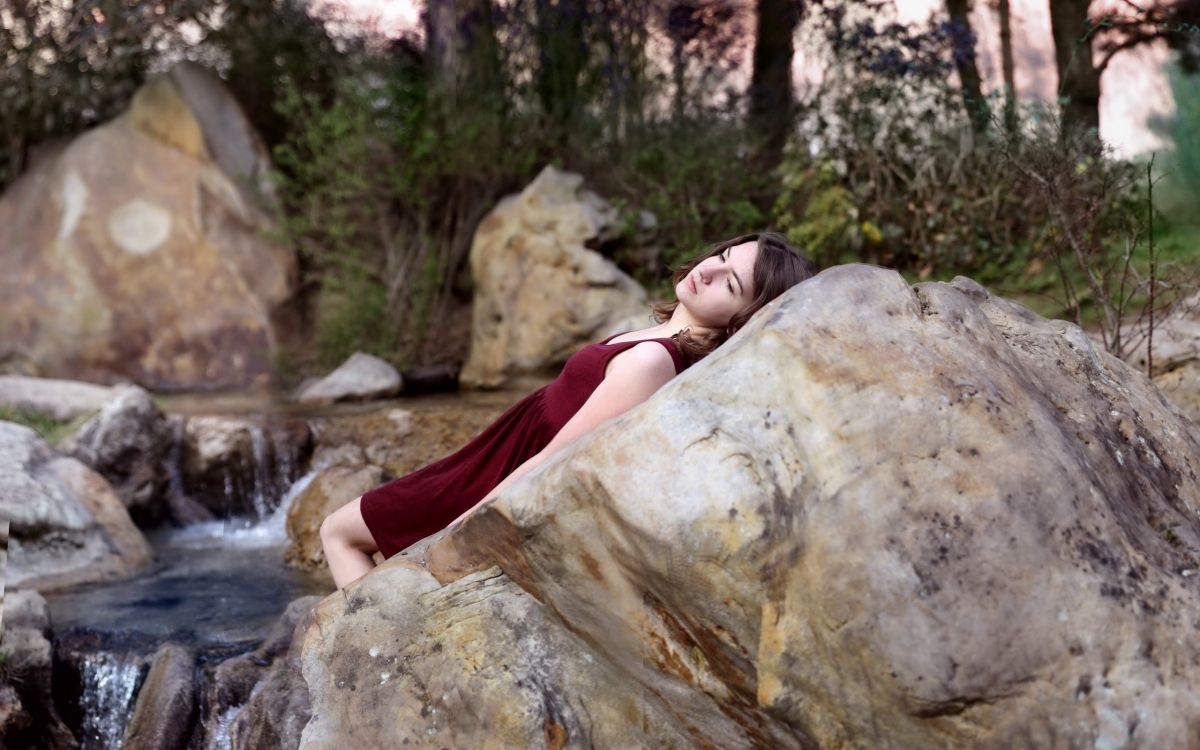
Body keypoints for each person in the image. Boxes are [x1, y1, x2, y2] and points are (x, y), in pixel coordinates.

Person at [319, 231, 817, 589]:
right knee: (352, 537)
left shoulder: (653, 360)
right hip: (503, 449)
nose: (706, 269)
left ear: (742, 321)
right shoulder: (658, 339)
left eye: (728, 283)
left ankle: (363, 643)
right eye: (722, 256)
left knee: (340, 532)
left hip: (507, 470)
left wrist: (461, 528)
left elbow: (559, 457)